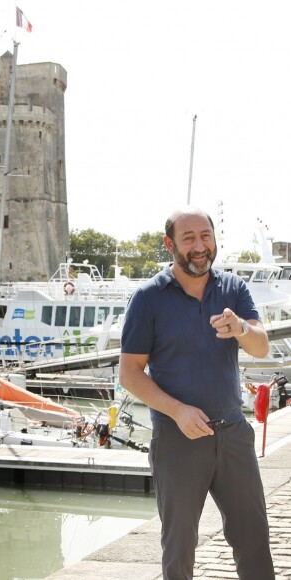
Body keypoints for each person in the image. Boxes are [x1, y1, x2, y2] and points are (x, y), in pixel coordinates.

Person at [119, 205, 274, 580]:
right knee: (179, 551)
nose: (199, 246)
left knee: (254, 541)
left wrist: (240, 329)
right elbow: (129, 373)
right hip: (179, 438)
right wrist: (177, 411)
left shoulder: (233, 289)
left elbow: (262, 346)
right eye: (188, 238)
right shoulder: (148, 298)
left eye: (205, 236)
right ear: (169, 244)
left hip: (234, 434)